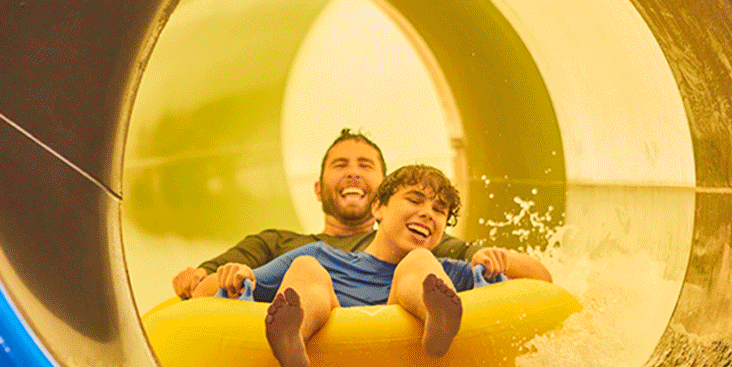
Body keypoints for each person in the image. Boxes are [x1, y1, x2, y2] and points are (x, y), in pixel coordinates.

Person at [214, 165, 552, 367]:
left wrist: (500, 259)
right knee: (305, 269)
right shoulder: (322, 255)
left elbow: (543, 282)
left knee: (418, 264)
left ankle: (437, 321)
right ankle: (293, 336)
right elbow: (207, 294)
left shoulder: (444, 271)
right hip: (325, 353)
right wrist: (234, 274)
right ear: (379, 207)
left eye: (439, 210)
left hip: (403, 362)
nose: (427, 214)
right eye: (415, 200)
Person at [171, 128, 493, 299]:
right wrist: (198, 279)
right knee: (306, 270)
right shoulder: (276, 243)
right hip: (308, 348)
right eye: (340, 166)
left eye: (365, 166)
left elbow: (487, 263)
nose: (353, 173)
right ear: (317, 189)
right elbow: (207, 280)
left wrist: (491, 261)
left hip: (389, 341)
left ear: (383, 195)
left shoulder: (411, 241)